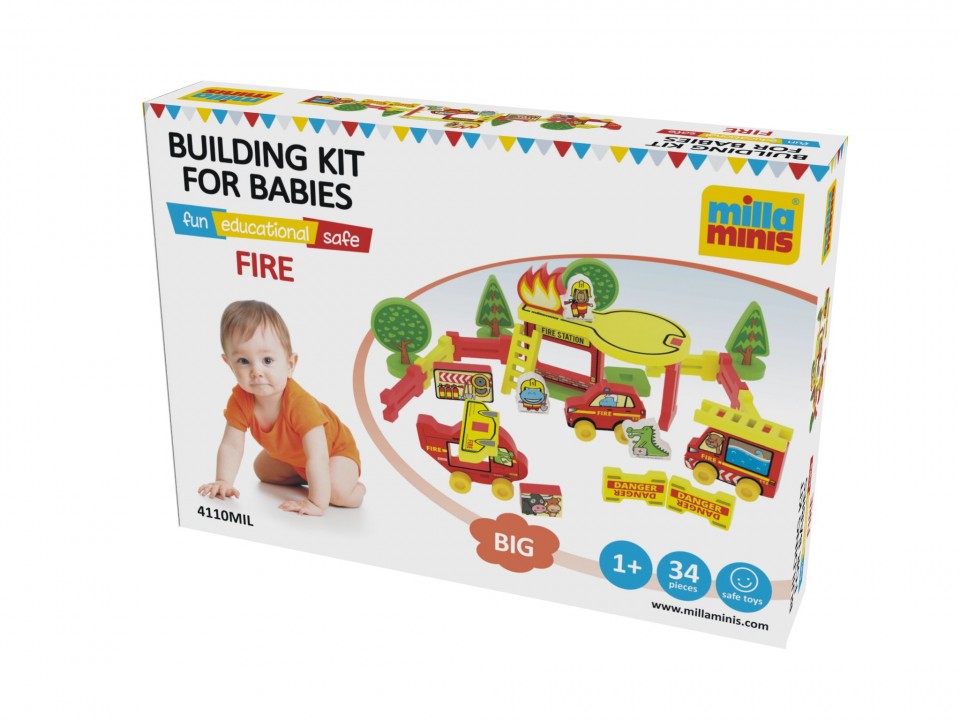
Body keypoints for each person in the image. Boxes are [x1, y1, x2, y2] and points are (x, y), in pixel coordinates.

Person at [198, 300, 365, 516]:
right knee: (262, 471)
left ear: (290, 364)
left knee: (336, 492)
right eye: (243, 361)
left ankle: (355, 491)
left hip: (334, 453)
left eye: (267, 360)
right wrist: (223, 481)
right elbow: (231, 446)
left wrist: (315, 502)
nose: (256, 371)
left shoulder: (300, 404)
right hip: (299, 457)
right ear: (229, 364)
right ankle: (308, 476)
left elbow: (318, 456)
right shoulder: (240, 400)